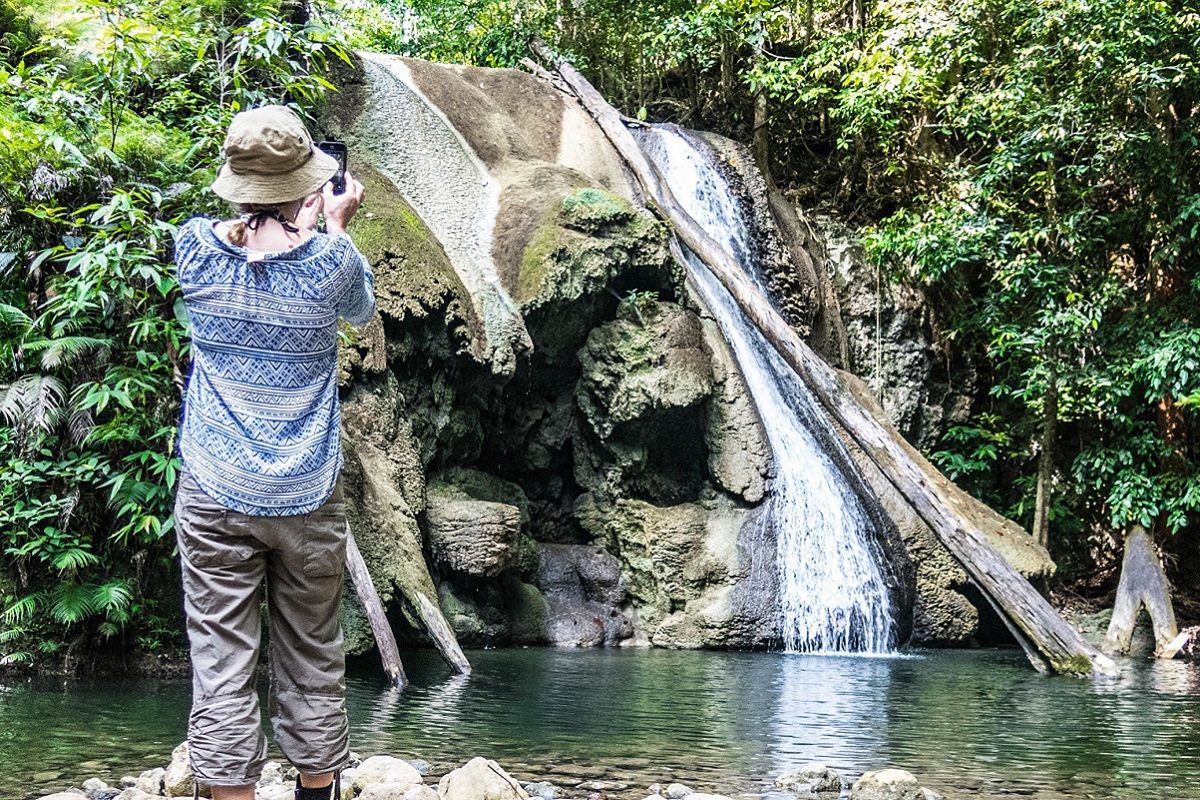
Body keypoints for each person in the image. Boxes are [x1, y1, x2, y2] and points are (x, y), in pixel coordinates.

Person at [172, 105, 374, 800]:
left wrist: (292, 224)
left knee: (222, 657)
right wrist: (333, 227)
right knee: (314, 651)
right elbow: (359, 310)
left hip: (215, 482)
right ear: (309, 185)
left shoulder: (193, 247)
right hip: (308, 492)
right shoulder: (332, 263)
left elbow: (248, 252)